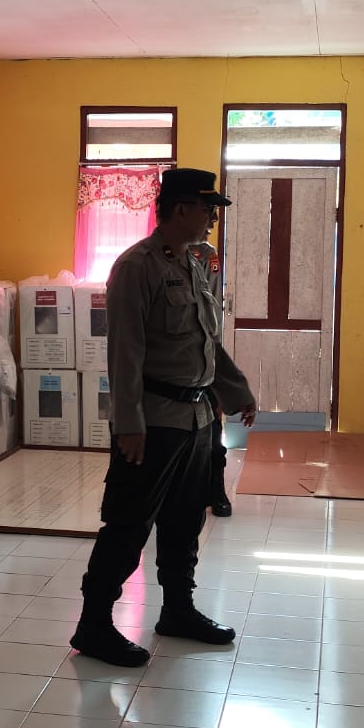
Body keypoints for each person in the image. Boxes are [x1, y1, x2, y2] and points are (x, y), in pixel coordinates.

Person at [70, 168, 258, 668]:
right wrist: (128, 423)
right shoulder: (137, 267)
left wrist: (236, 390)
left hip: (196, 419)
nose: (212, 218)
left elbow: (206, 344)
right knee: (129, 523)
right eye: (207, 208)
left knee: (184, 521)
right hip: (153, 422)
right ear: (181, 209)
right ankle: (94, 626)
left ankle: (177, 609)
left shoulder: (194, 265)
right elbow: (125, 352)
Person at [186, 237, 234, 517]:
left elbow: (213, 306)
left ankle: (216, 491)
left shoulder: (207, 254)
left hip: (205, 353)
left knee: (214, 433)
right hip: (170, 363)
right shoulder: (149, 258)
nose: (211, 219)